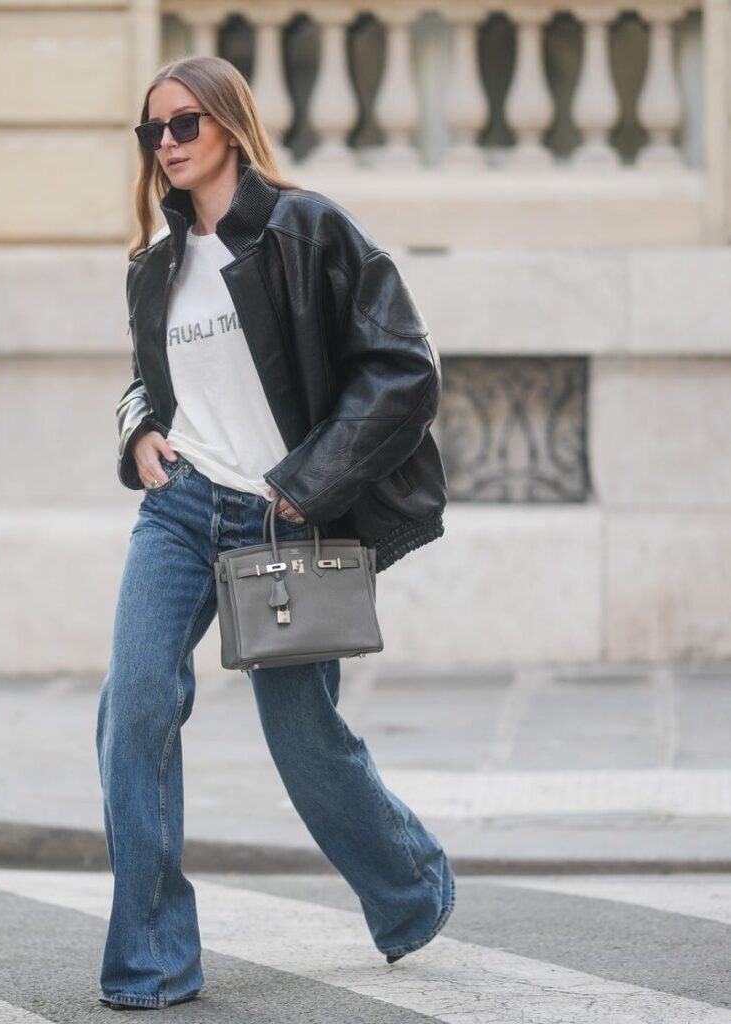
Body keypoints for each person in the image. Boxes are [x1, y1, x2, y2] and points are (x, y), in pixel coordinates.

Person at [96, 54, 455, 1011]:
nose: (166, 145)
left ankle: (411, 886)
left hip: (281, 516)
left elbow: (403, 371)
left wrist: (306, 484)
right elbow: (147, 383)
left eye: (184, 125)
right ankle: (153, 962)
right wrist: (137, 434)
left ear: (228, 124)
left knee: (303, 736)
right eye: (153, 131)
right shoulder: (155, 264)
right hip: (180, 509)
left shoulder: (309, 230)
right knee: (132, 710)